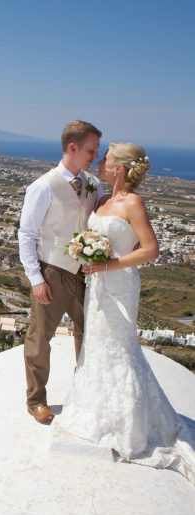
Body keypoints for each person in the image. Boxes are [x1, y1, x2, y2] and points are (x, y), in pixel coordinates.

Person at [54, 143, 195, 484]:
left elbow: (151, 249)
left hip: (119, 284)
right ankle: (96, 411)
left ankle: (126, 424)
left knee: (119, 346)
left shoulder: (132, 203)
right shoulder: (102, 200)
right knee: (97, 343)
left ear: (119, 167)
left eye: (106, 159)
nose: (101, 162)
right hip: (98, 285)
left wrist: (109, 264)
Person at [18, 120, 104, 424]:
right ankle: (36, 400)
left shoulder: (94, 183)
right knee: (41, 338)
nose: (96, 155)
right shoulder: (44, 186)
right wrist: (36, 279)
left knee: (89, 334)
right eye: (91, 149)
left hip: (86, 274)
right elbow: (26, 234)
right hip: (53, 271)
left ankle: (84, 392)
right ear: (73, 147)